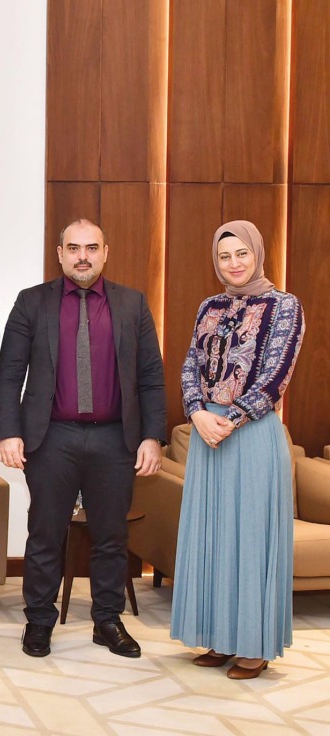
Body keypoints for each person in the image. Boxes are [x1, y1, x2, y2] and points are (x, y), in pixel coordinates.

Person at [0, 218, 166, 659]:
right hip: (52, 438)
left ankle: (107, 622)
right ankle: (38, 623)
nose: (83, 256)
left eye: (92, 247)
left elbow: (150, 376)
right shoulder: (32, 302)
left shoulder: (132, 303)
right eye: (74, 248)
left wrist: (152, 437)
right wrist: (9, 431)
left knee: (111, 536)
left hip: (115, 440)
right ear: (60, 253)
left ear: (105, 252)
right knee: (45, 534)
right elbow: (10, 372)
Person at [170, 220, 305, 680]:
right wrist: (197, 412)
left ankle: (254, 644)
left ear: (257, 254)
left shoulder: (285, 306)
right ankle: (219, 636)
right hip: (208, 432)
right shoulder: (209, 306)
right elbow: (190, 362)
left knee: (249, 537)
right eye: (225, 256)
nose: (234, 264)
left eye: (241, 254)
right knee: (213, 535)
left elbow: (276, 373)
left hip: (250, 434)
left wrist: (230, 418)